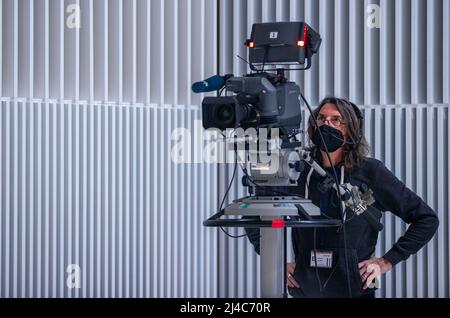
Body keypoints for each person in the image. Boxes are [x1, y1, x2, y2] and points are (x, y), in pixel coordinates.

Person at [245, 97, 439, 298]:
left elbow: (426, 219)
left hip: (354, 290)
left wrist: (386, 261)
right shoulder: (296, 169)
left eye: (336, 119)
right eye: (321, 118)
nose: (326, 124)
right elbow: (252, 214)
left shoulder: (370, 172)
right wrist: (276, 262)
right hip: (305, 290)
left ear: (351, 129)